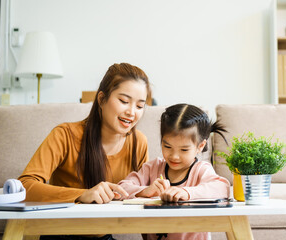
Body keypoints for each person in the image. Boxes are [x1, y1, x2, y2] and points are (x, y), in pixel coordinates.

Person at [18, 62, 150, 220]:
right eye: (123, 101)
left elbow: (144, 200)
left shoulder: (139, 143)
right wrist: (82, 195)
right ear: (101, 99)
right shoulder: (65, 135)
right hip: (59, 234)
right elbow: (24, 186)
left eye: (140, 106)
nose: (131, 112)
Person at [119, 103, 230, 240]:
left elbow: (222, 188)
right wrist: (145, 191)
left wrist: (186, 192)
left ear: (200, 147)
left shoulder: (200, 169)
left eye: (184, 150)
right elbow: (121, 188)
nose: (174, 156)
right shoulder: (153, 168)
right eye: (167, 146)